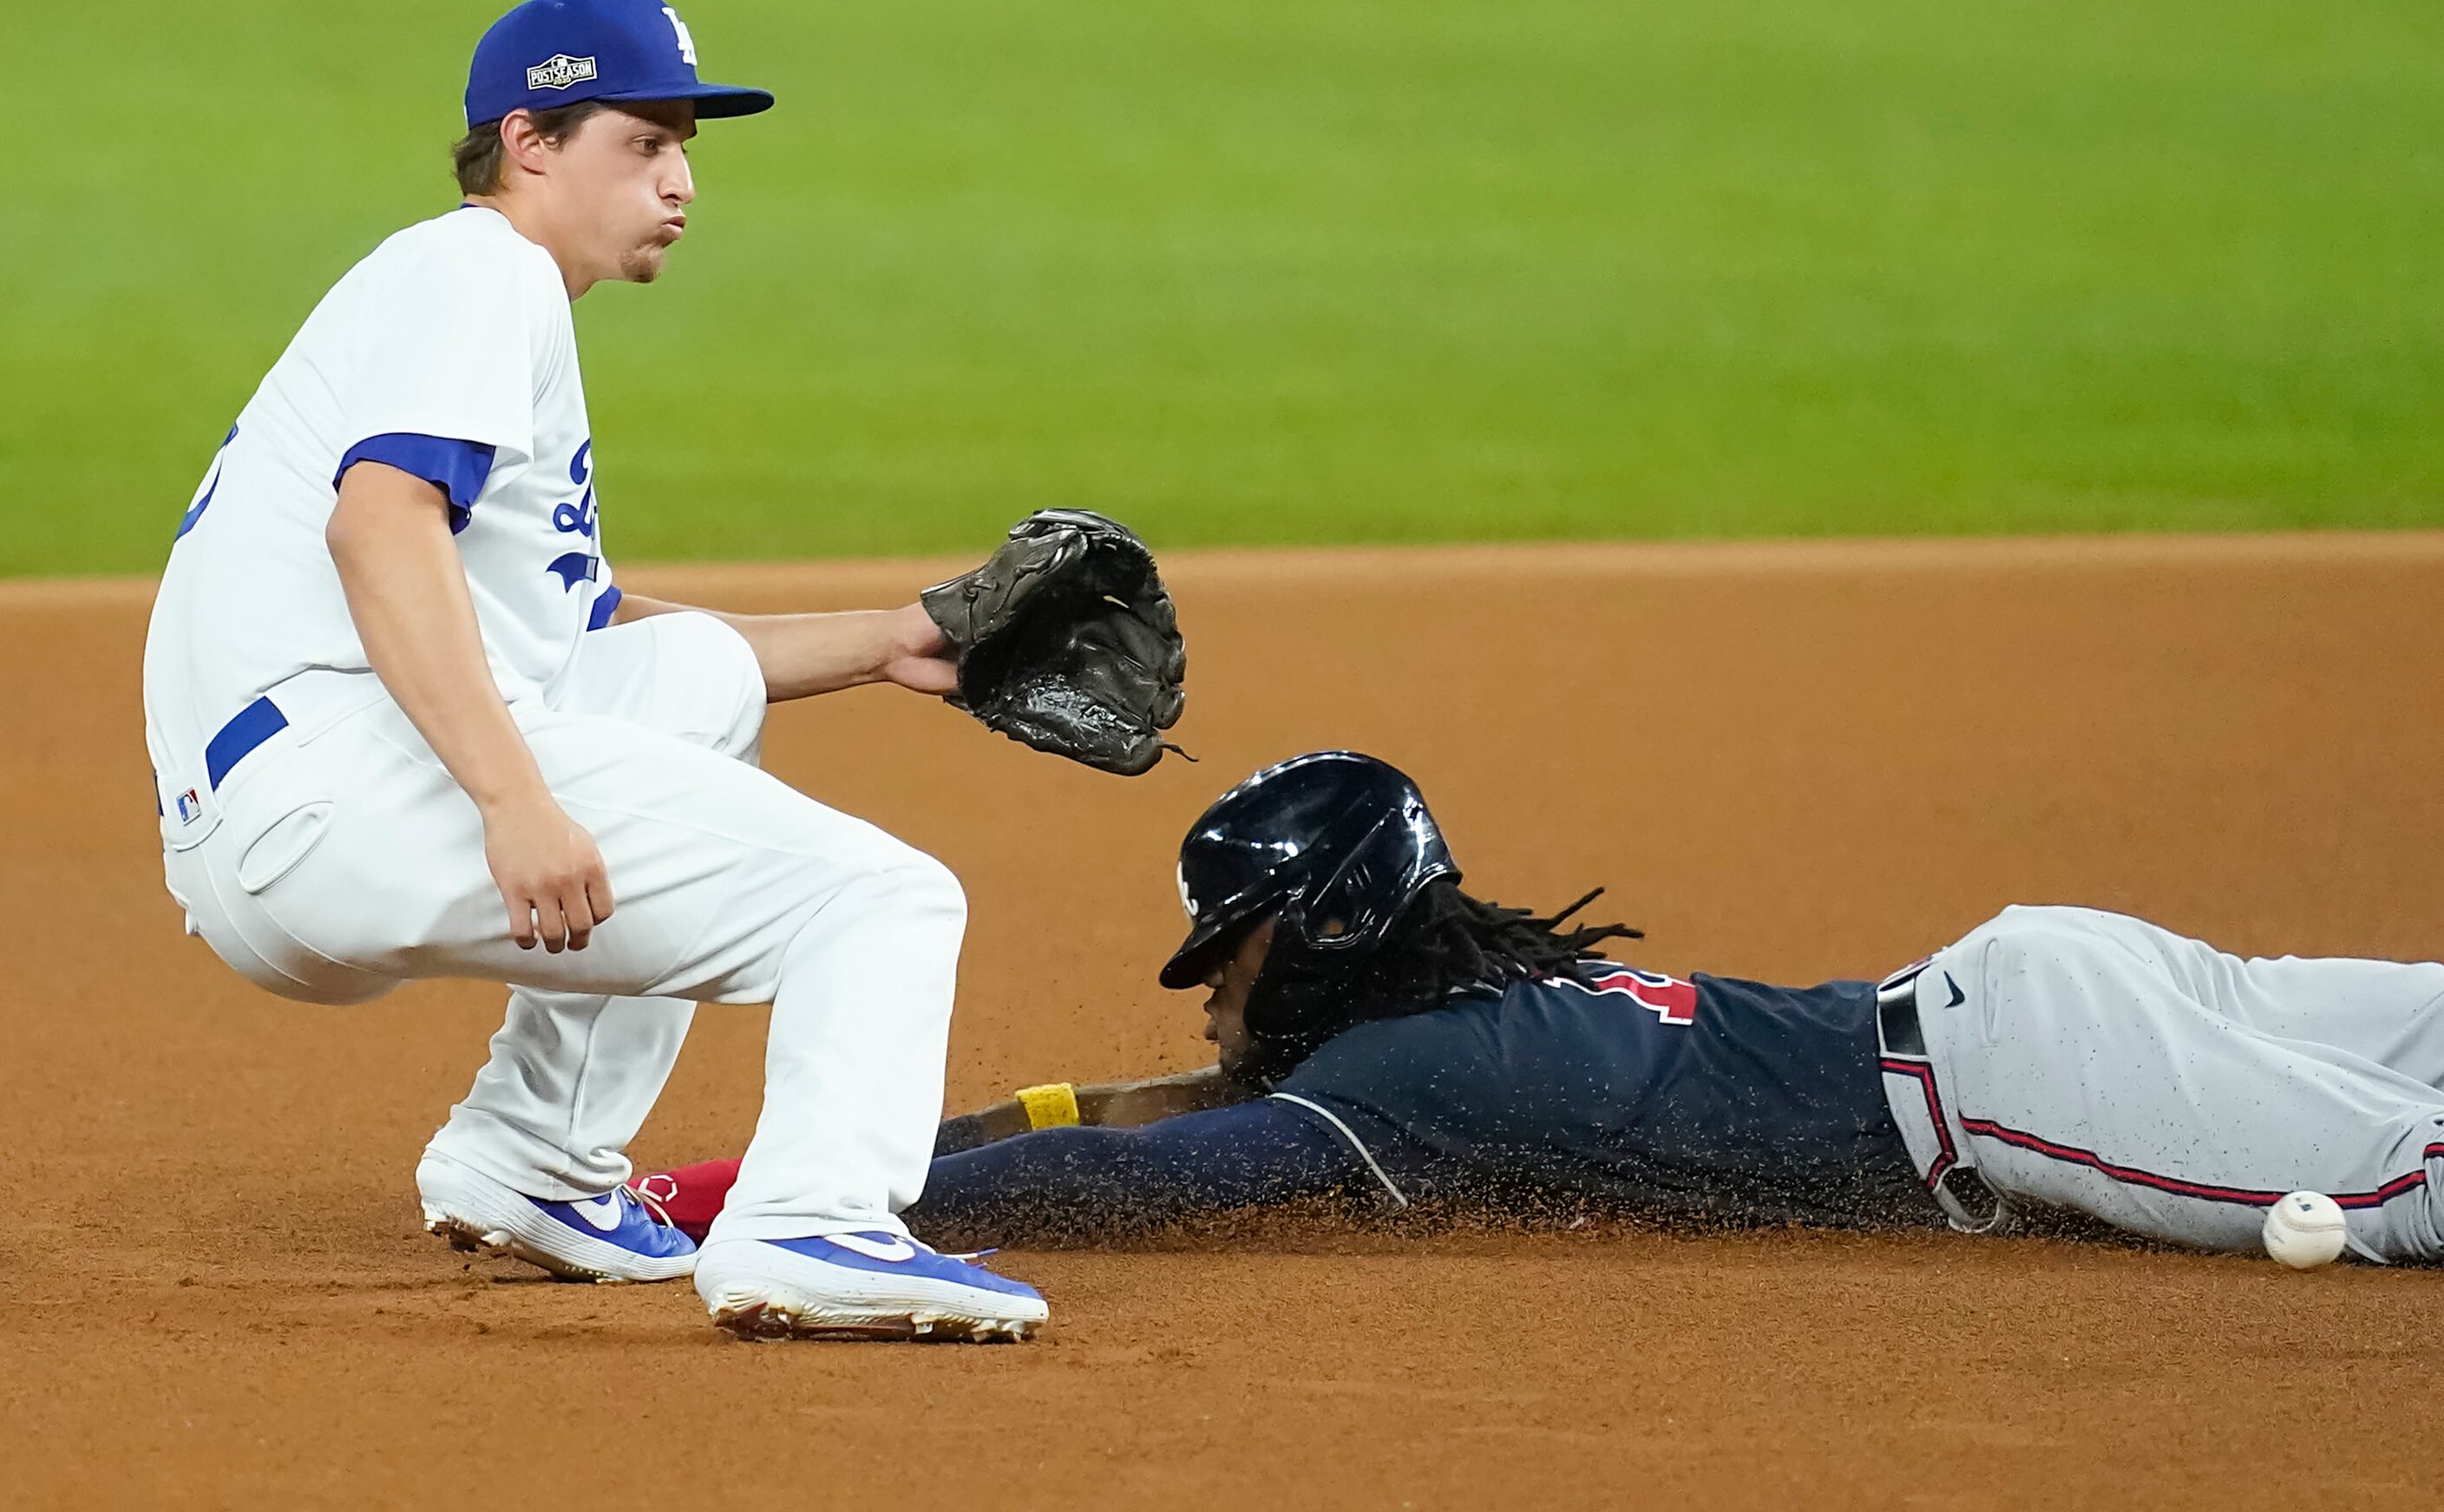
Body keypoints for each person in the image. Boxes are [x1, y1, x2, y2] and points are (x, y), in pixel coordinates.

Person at [142, 0, 1045, 1342]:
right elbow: (378, 529)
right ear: (531, 141)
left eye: (687, 147)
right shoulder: (478, 271)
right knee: (884, 903)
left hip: (280, 811)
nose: (680, 181)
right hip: (338, 788)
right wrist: (514, 798)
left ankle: (536, 1160)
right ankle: (819, 1221)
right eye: (643, 142)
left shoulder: (457, 296)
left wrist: (889, 643)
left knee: (695, 685)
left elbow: (578, 631)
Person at [634, 751, 2444, 1266]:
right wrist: (792, 1157)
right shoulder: (1461, 998)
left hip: (2018, 1073)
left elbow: (1156, 1184)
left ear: (1329, 931)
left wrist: (835, 1200)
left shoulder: (1422, 1069)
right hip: (2041, 989)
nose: (1212, 1002)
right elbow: (1131, 1113)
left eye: (1234, 956)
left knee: (2387, 1192)